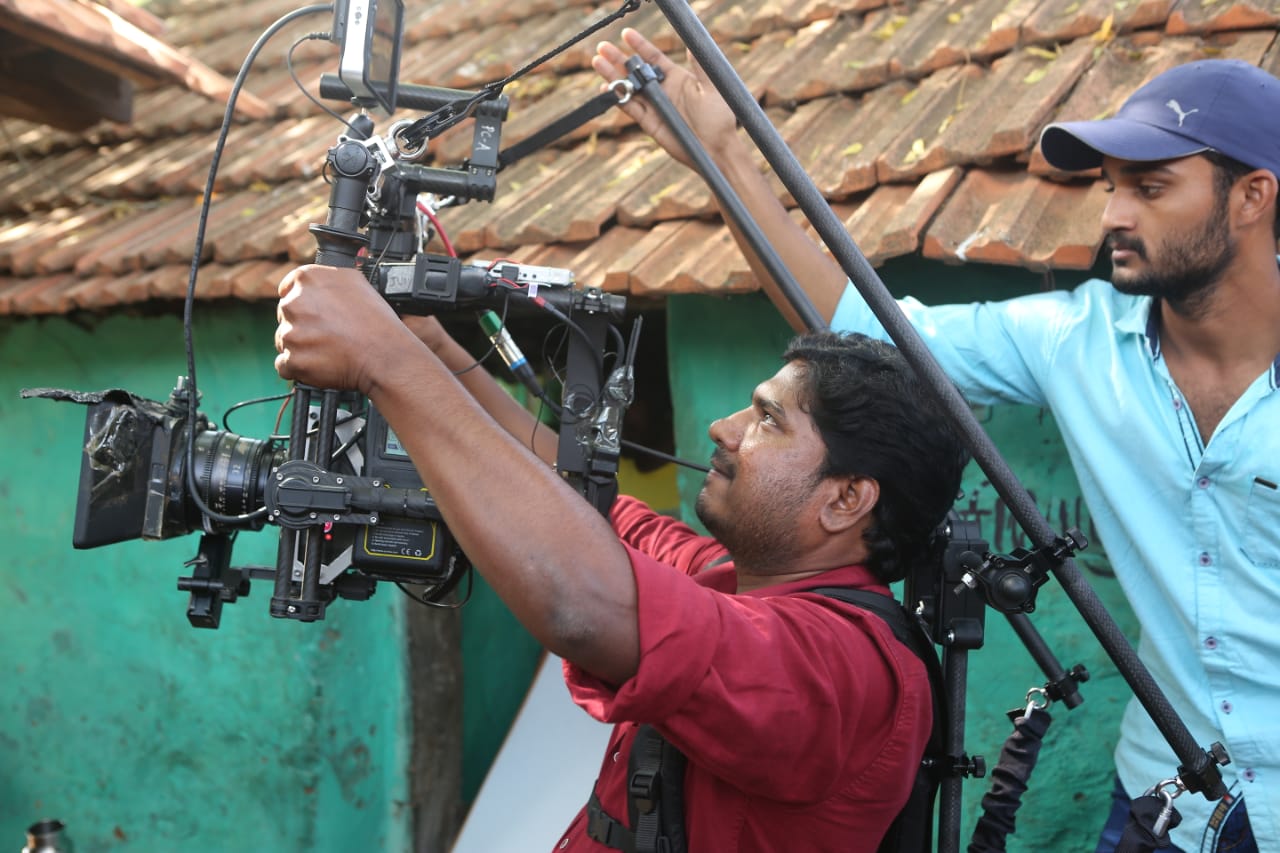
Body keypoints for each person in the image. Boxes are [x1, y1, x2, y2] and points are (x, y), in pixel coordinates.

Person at [592, 32, 1279, 853]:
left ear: (1253, 195)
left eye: (1151, 188)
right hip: (1164, 807)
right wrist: (722, 155)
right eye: (1112, 187)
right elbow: (865, 326)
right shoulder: (1077, 342)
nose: (1113, 215)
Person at [273, 264, 970, 850]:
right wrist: (429, 350)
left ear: (846, 500)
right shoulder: (731, 582)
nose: (722, 428)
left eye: (767, 419)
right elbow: (576, 499)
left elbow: (580, 604)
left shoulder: (845, 670)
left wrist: (385, 363)